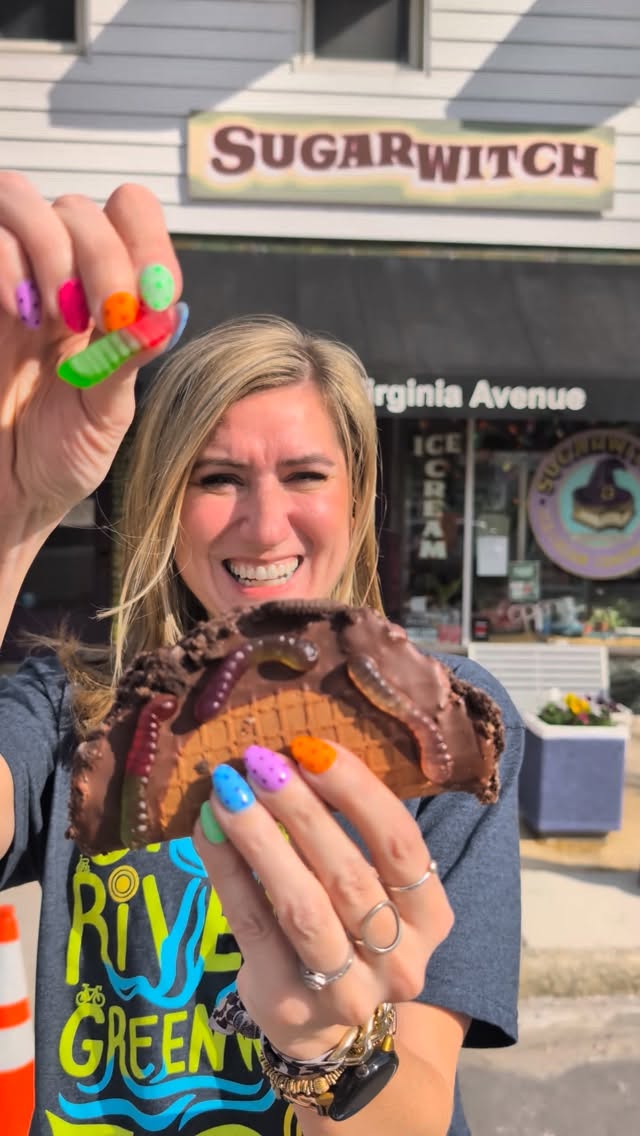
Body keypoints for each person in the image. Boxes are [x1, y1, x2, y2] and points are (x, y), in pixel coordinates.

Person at [0, 173, 523, 1136]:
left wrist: (329, 1051)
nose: (265, 522)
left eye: (305, 474)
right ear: (162, 497)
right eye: (217, 478)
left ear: (359, 498)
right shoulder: (80, 706)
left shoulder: (436, 725)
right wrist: (9, 515)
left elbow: (414, 1110)